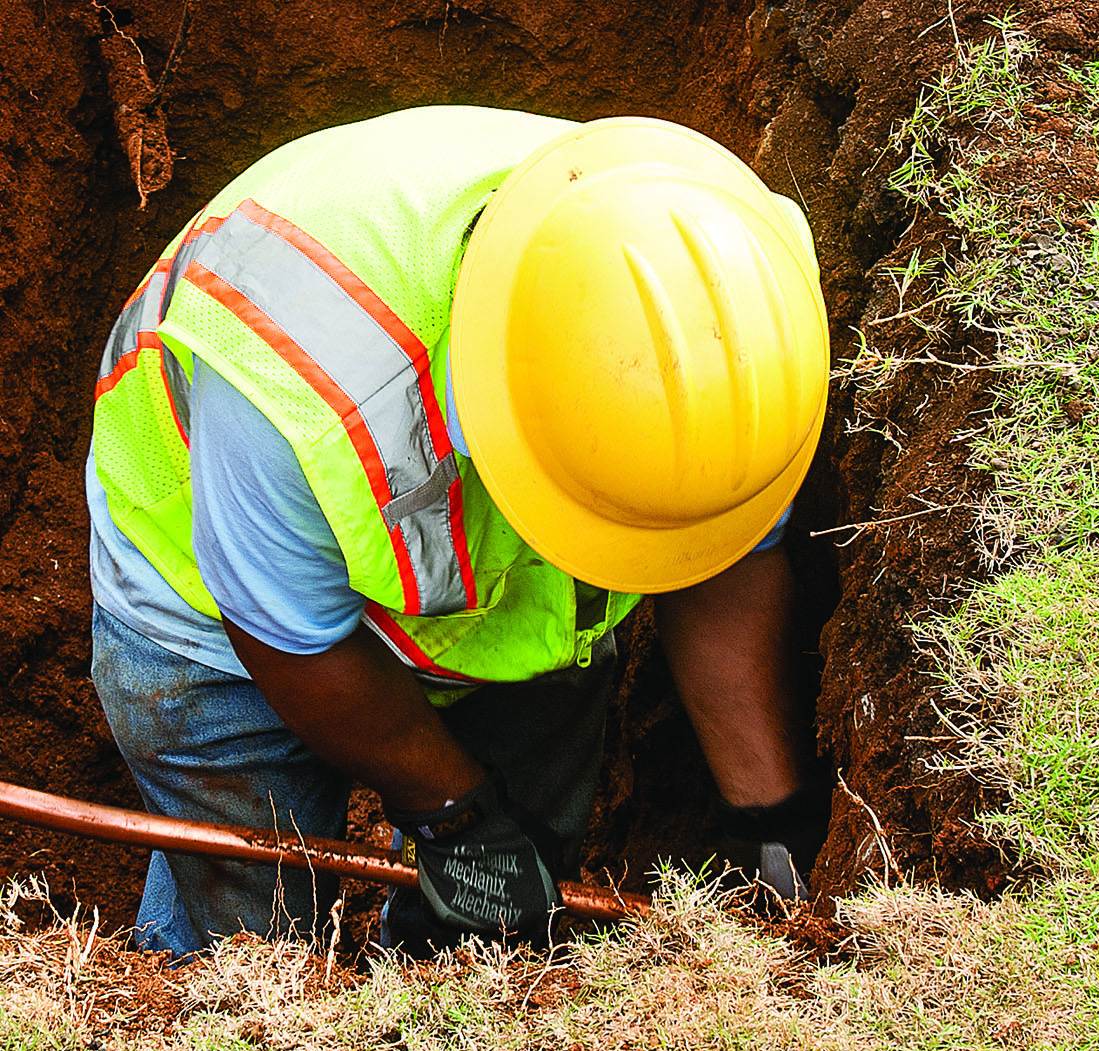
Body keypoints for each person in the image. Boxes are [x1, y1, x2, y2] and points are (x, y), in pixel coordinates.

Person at [87, 105, 830, 957]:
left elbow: (724, 559)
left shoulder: (749, 332)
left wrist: (769, 816)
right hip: (211, 606)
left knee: (501, 934)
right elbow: (289, 639)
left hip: (499, 615)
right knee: (249, 945)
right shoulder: (298, 378)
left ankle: (439, 1002)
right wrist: (454, 813)